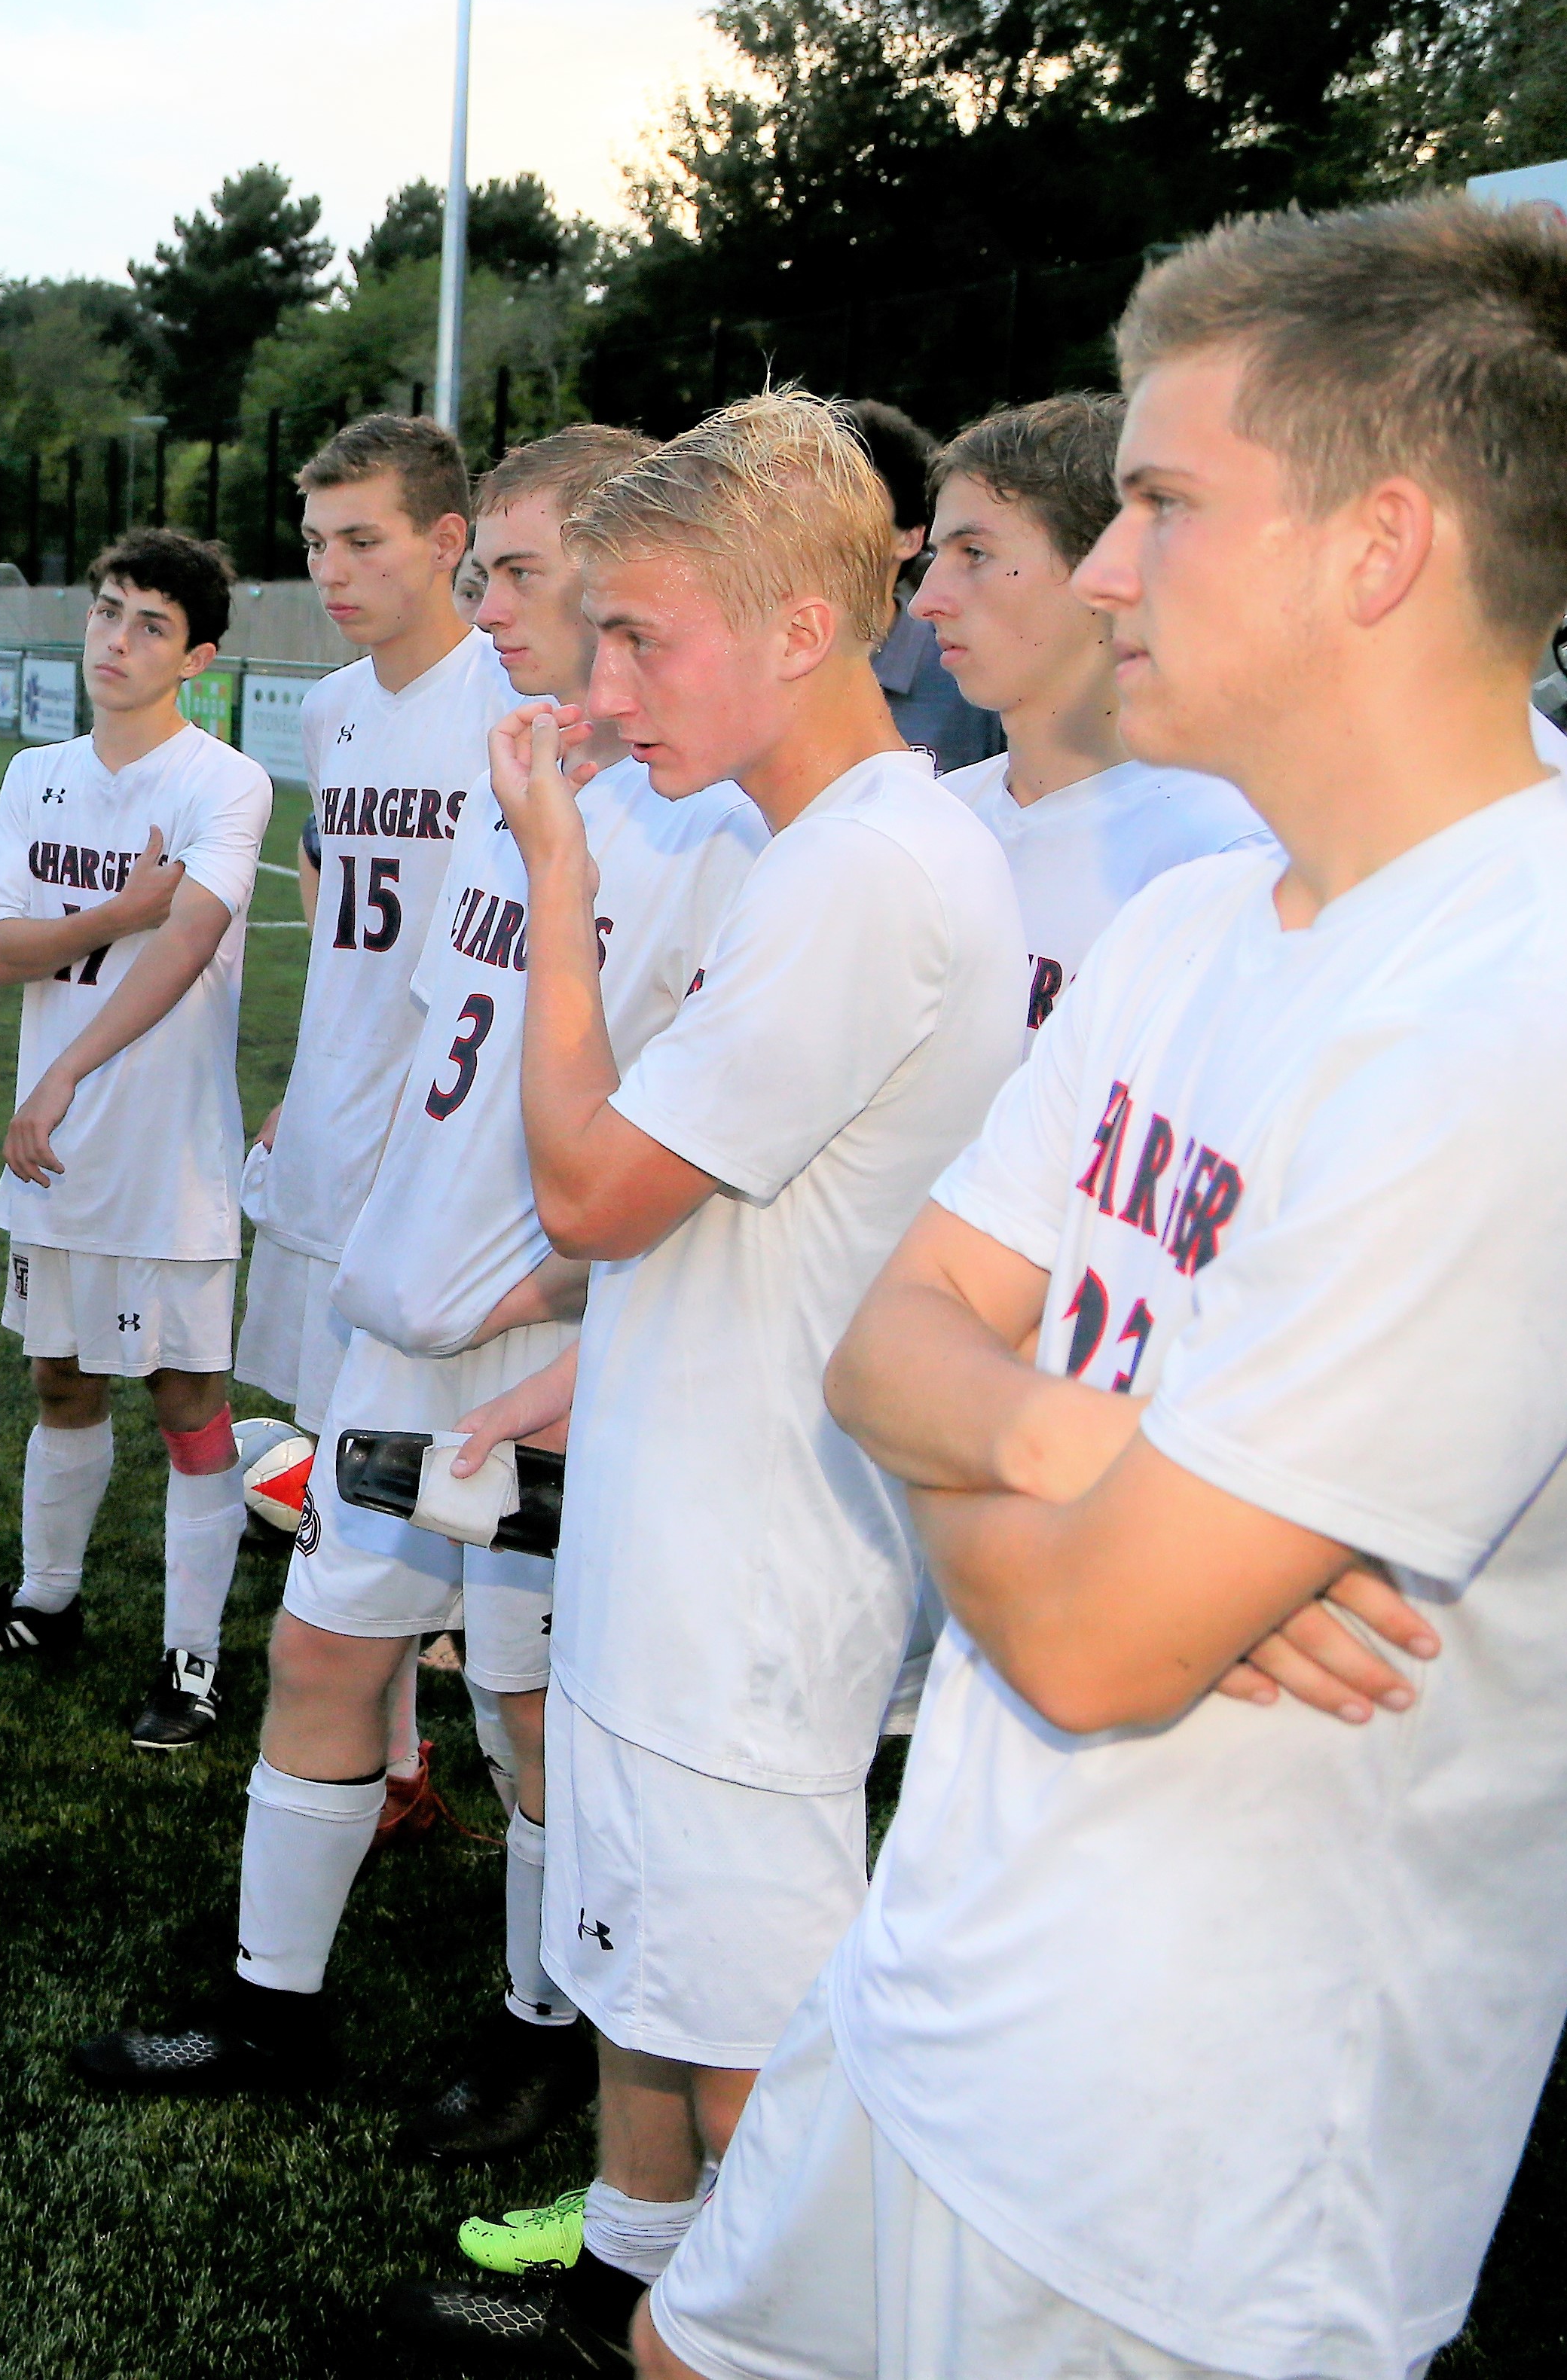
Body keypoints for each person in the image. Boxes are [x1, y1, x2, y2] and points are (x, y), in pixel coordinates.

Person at [646, 198, 1567, 2380]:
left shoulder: (1543, 1013)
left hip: (1196, 2178)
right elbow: (880, 1346)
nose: (1102, 570)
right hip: (942, 1976)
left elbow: (1098, 1645)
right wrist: (1064, 1437)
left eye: (1165, 505)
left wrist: (1011, 1463)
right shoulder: (1200, 930)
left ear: (1377, 547)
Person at [388, 394, 1027, 2366]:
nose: (604, 683)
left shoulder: (863, 871)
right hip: (691, 1517)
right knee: (663, 1986)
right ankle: (626, 2299)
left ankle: (751, 2337)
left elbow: (588, 1181)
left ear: (797, 632)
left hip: (752, 1575)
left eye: (641, 636)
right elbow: (756, 1229)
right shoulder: (818, 849)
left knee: (759, 2055)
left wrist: (556, 876)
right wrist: (591, 1369)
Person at [72, 427, 759, 2152]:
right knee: (320, 1645)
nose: (486, 601)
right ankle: (267, 2002)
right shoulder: (527, 774)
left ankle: (540, 2026)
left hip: (538, 1339)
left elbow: (711, 1125)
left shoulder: (718, 831)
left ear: (631, 577)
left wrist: (581, 1279)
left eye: (519, 569)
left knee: (530, 1705)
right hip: (402, 1313)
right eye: (494, 570)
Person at [0, 527, 274, 1754]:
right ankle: (45, 1602)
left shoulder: (220, 782)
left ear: (197, 655)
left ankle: (190, 1663)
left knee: (189, 1400)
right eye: (104, 611)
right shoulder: (34, 775)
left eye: (147, 625)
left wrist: (73, 1060)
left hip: (159, 1149)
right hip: (54, 1151)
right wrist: (120, 909)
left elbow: (186, 941)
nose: (115, 641)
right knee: (59, 1379)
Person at [235, 413, 521, 1823]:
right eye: (313, 544)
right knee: (336, 1464)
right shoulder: (330, 707)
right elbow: (323, 885)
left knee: (445, 1466)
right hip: (334, 1121)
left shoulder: (503, 701)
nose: (330, 570)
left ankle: (507, 1760)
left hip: (447, 1141)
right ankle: (397, 1759)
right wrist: (310, 1070)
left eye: (362, 540)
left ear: (449, 541)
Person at [911, 395, 1269, 1027]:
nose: (928, 600)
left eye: (975, 554)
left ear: (1108, 569)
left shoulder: (1223, 854)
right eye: (935, 557)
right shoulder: (930, 823)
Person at [841, 398, 1007, 771]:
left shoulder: (971, 678)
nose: (817, 528)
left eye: (849, 504)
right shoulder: (752, 664)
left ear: (910, 539)